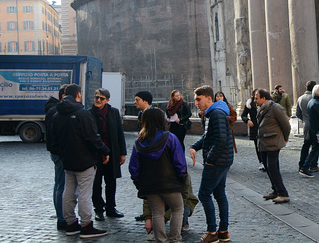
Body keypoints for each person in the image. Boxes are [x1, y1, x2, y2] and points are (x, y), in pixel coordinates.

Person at [52, 83, 110, 238]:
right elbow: (92, 137)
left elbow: (54, 140)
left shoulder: (57, 114)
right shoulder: (82, 113)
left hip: (67, 160)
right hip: (84, 159)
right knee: (84, 193)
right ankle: (86, 225)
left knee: (68, 192)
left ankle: (71, 224)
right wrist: (105, 151)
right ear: (78, 95)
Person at [129, 108, 186, 243]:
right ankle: (175, 239)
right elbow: (180, 163)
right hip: (170, 183)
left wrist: (138, 182)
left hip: (149, 185)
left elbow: (134, 168)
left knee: (157, 213)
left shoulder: (139, 142)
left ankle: (161, 240)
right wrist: (181, 178)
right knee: (177, 209)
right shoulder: (170, 138)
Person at [189, 85, 234, 243]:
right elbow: (208, 137)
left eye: (198, 99)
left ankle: (211, 231)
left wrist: (209, 159)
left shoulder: (215, 114)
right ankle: (223, 231)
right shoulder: (213, 113)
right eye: (195, 100)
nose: (196, 103)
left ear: (209, 98)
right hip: (223, 160)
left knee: (204, 194)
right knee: (219, 194)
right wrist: (194, 146)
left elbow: (220, 140)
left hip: (217, 162)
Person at [91, 88, 126, 221]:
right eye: (97, 97)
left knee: (111, 181)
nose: (98, 100)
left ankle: (111, 208)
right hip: (95, 154)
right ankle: (98, 209)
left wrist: (122, 153)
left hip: (112, 152)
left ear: (107, 100)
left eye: (102, 98)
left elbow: (119, 133)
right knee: (96, 182)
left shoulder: (113, 112)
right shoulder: (89, 113)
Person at [254, 88, 292, 202]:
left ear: (263, 98)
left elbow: (286, 125)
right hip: (264, 142)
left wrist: (285, 138)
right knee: (268, 167)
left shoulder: (276, 108)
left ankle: (283, 193)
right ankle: (275, 190)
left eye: (256, 98)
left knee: (272, 167)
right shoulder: (262, 108)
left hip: (273, 142)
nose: (254, 100)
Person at [45, 84, 68, 230]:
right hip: (61, 153)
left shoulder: (51, 109)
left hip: (55, 152)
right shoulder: (57, 111)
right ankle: (62, 218)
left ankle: (61, 216)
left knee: (58, 184)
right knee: (61, 185)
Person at [241, 89, 266, 171]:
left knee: (266, 145)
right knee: (258, 145)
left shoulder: (265, 104)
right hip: (255, 127)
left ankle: (266, 161)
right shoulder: (250, 104)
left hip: (265, 127)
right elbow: (243, 115)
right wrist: (248, 120)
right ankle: (261, 162)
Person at [295, 80, 317, 172]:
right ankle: (313, 165)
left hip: (306, 124)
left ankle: (302, 164)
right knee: (315, 146)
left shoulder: (300, 98)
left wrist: (304, 120)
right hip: (315, 125)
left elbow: (297, 113)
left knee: (306, 145)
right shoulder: (314, 98)